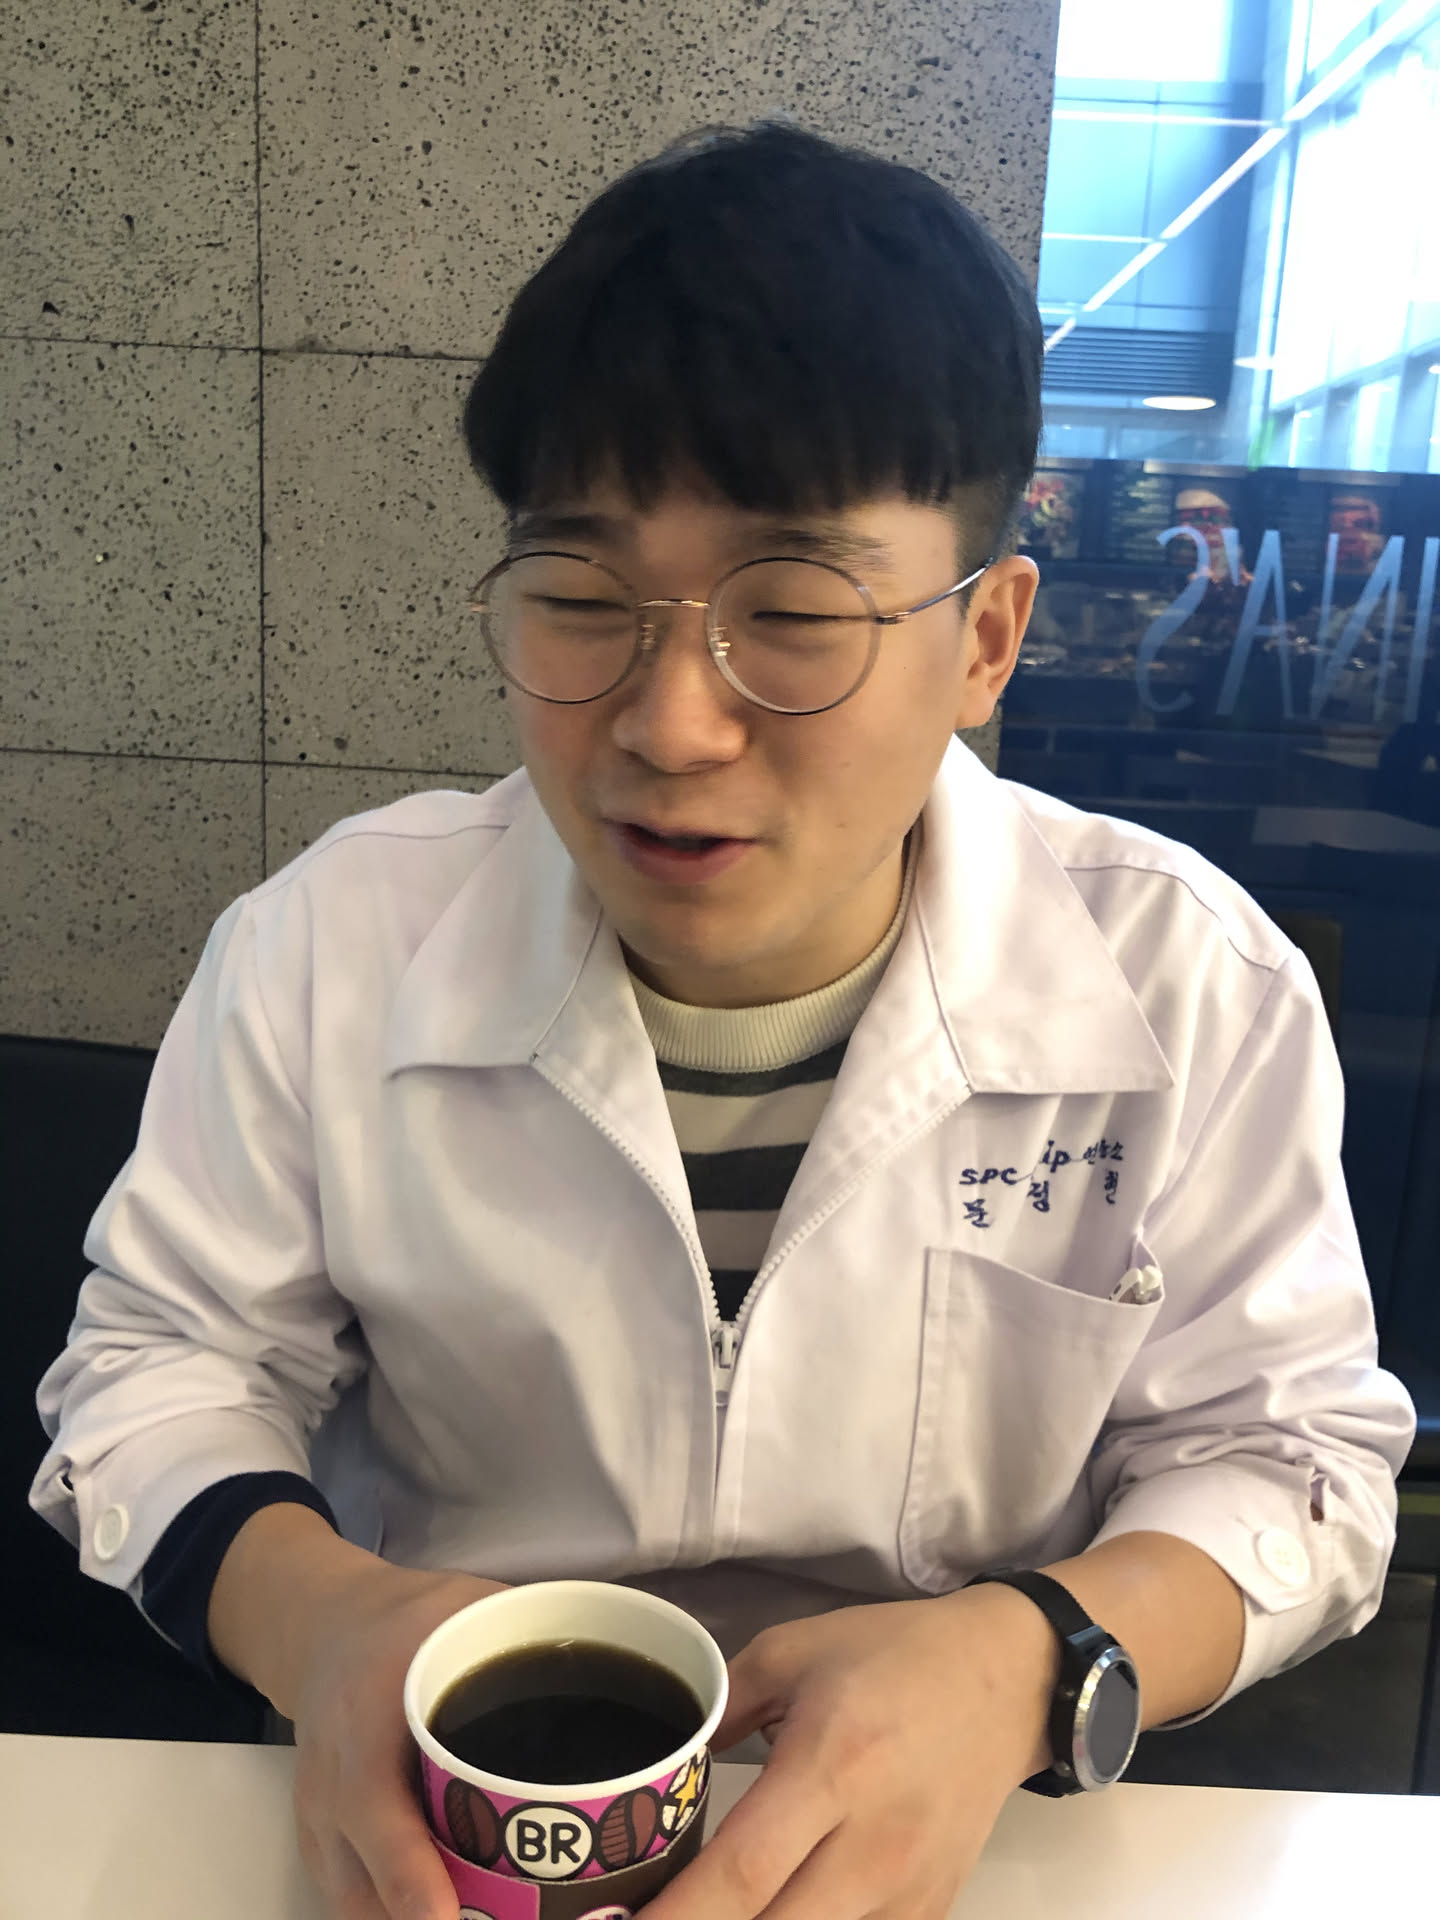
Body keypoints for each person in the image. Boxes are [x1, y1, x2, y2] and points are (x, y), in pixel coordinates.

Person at [33, 122, 1412, 1920]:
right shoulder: (328, 949)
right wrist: (326, 1619)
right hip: (452, 1826)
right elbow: (157, 1370)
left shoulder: (1190, 981)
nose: (671, 724)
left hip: (967, 1835)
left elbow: (1296, 1460)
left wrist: (1036, 1656)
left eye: (796, 611)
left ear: (986, 640)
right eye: (581, 601)